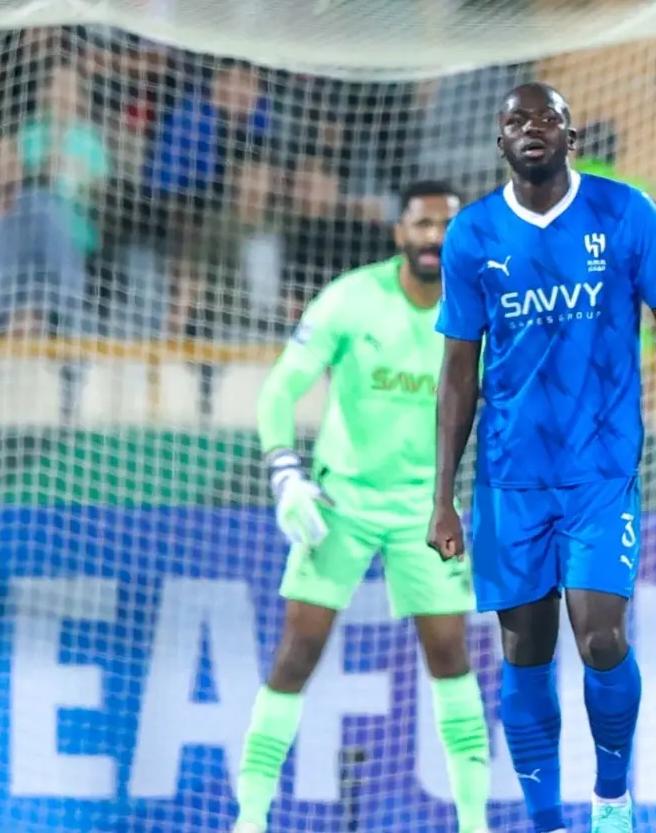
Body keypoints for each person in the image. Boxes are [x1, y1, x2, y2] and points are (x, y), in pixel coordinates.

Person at [430, 82, 656, 833]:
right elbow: (459, 372)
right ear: (500, 141)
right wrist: (442, 495)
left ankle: (612, 802)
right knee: (524, 651)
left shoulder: (626, 213)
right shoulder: (472, 235)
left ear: (570, 133)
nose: (531, 129)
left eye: (546, 118)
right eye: (516, 119)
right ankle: (546, 820)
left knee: (600, 636)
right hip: (507, 477)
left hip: (600, 469)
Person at [232, 181, 491, 833]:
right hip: (340, 502)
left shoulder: (483, 307)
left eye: (446, 226)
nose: (434, 237)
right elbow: (277, 392)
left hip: (426, 511)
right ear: (398, 231)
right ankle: (250, 819)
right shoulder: (350, 298)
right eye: (421, 224)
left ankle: (474, 823)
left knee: (451, 660)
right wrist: (285, 476)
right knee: (297, 652)